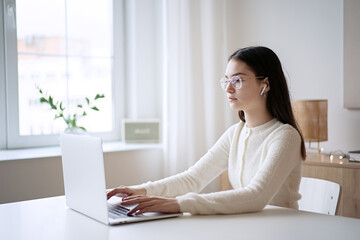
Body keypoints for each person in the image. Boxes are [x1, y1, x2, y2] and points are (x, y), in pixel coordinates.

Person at [107, 46, 306, 215]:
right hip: (249, 226)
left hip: (280, 229)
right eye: (226, 80)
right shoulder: (235, 133)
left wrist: (179, 204)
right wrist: (142, 190)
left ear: (266, 84)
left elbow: (256, 196)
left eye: (237, 80)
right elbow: (193, 178)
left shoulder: (285, 137)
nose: (228, 89)